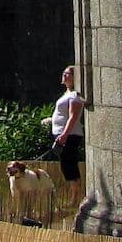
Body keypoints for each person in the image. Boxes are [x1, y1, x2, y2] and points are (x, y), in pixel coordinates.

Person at [51, 64, 86, 215]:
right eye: (64, 73)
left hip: (69, 135)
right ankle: (74, 197)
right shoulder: (67, 94)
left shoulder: (75, 96)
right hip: (63, 134)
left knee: (69, 165)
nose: (65, 76)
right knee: (66, 165)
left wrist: (64, 135)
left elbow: (73, 116)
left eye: (68, 74)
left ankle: (75, 199)